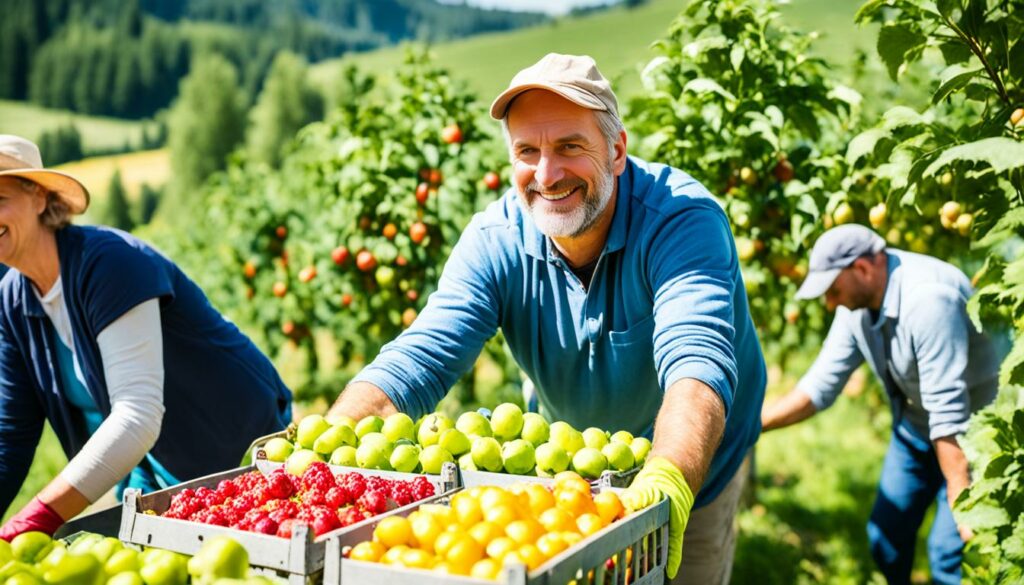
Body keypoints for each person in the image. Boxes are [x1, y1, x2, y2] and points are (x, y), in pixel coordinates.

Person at [327, 54, 766, 583]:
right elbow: (421, 355)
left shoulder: (680, 223)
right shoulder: (496, 240)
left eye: (570, 147)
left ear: (618, 150)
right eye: (527, 151)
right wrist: (325, 447)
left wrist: (669, 480)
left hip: (694, 468)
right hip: (573, 474)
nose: (547, 174)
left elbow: (696, 362)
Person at [0, 135, 293, 539]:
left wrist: (37, 518)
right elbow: (8, 437)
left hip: (234, 455)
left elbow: (137, 414)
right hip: (153, 481)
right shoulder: (13, 301)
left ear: (38, 198)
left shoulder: (108, 263)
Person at [761, 224, 1001, 584]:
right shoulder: (856, 308)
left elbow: (948, 410)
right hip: (916, 429)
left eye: (833, 290)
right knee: (884, 538)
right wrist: (752, 423)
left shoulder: (929, 300)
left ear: (862, 268)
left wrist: (960, 492)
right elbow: (820, 385)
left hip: (970, 438)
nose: (830, 303)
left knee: (947, 557)